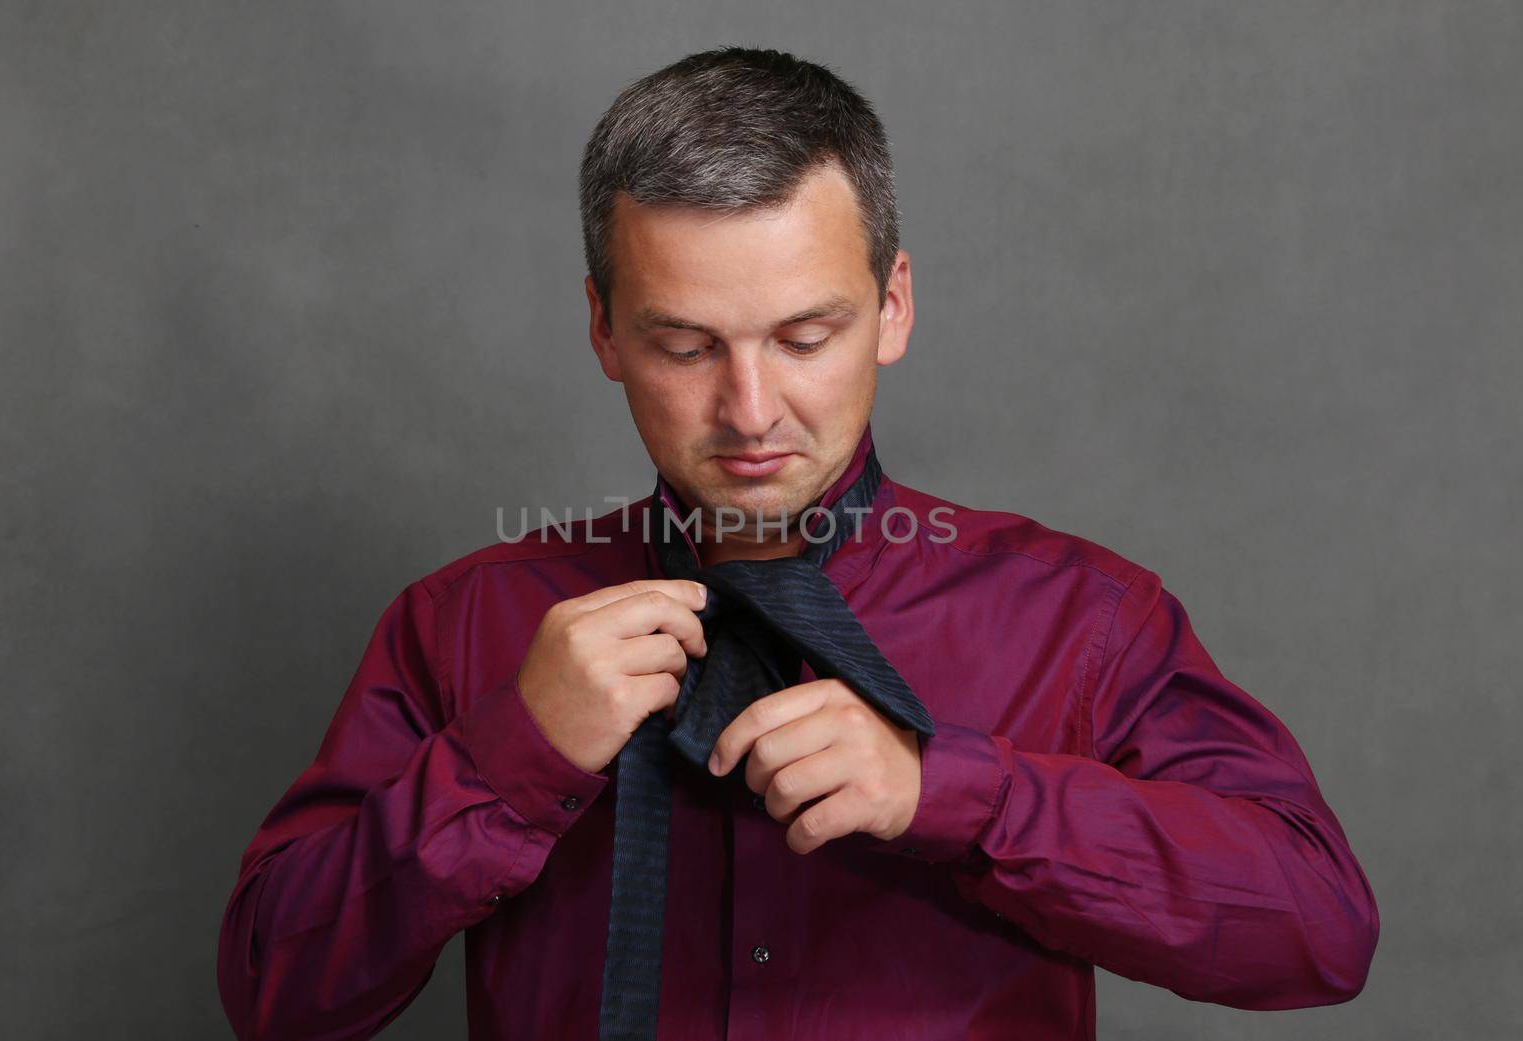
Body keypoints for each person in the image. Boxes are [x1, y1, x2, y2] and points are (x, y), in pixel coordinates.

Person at [216, 45, 1378, 1041]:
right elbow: (277, 994)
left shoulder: (1082, 618)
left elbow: (1317, 932)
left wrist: (954, 795)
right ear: (602, 330)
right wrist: (505, 762)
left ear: (894, 308)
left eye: (806, 335)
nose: (751, 409)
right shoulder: (460, 627)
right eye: (684, 346)